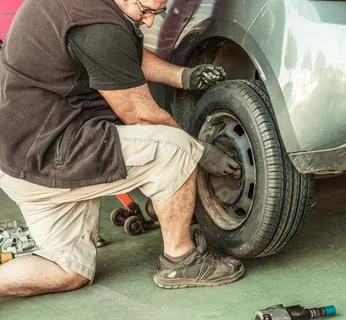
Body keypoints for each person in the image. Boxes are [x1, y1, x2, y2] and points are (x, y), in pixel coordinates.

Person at [0, 0, 244, 297]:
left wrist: (184, 76)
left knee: (69, 270)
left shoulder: (85, 9)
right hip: (53, 153)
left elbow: (118, 57)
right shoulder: (96, 25)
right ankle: (181, 260)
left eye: (158, 12)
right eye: (147, 11)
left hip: (19, 161)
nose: (151, 22)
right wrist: (203, 152)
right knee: (177, 149)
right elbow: (140, 115)